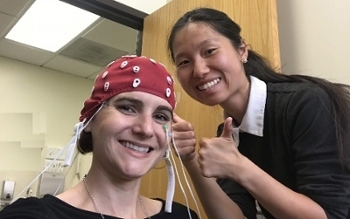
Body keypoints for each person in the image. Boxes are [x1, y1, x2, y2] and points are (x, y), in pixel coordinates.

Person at [167, 7, 350, 219]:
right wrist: (190, 160)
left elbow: (332, 215)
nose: (199, 70)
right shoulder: (229, 132)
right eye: (184, 62)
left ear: (242, 50)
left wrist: (239, 167)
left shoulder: (306, 103)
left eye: (209, 51)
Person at [0, 56, 199, 219]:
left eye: (160, 116)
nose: (146, 129)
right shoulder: (32, 216)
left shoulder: (183, 216)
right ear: (90, 121)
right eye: (127, 108)